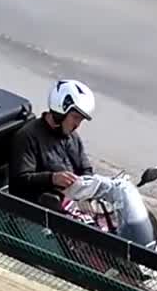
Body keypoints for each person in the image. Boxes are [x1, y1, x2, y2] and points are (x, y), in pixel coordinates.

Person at [9, 79, 96, 209]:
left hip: (69, 204)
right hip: (36, 211)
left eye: (81, 119)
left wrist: (87, 185)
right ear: (59, 112)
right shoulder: (28, 136)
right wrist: (52, 178)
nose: (77, 125)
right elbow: (20, 181)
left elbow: (85, 169)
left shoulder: (71, 136)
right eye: (75, 117)